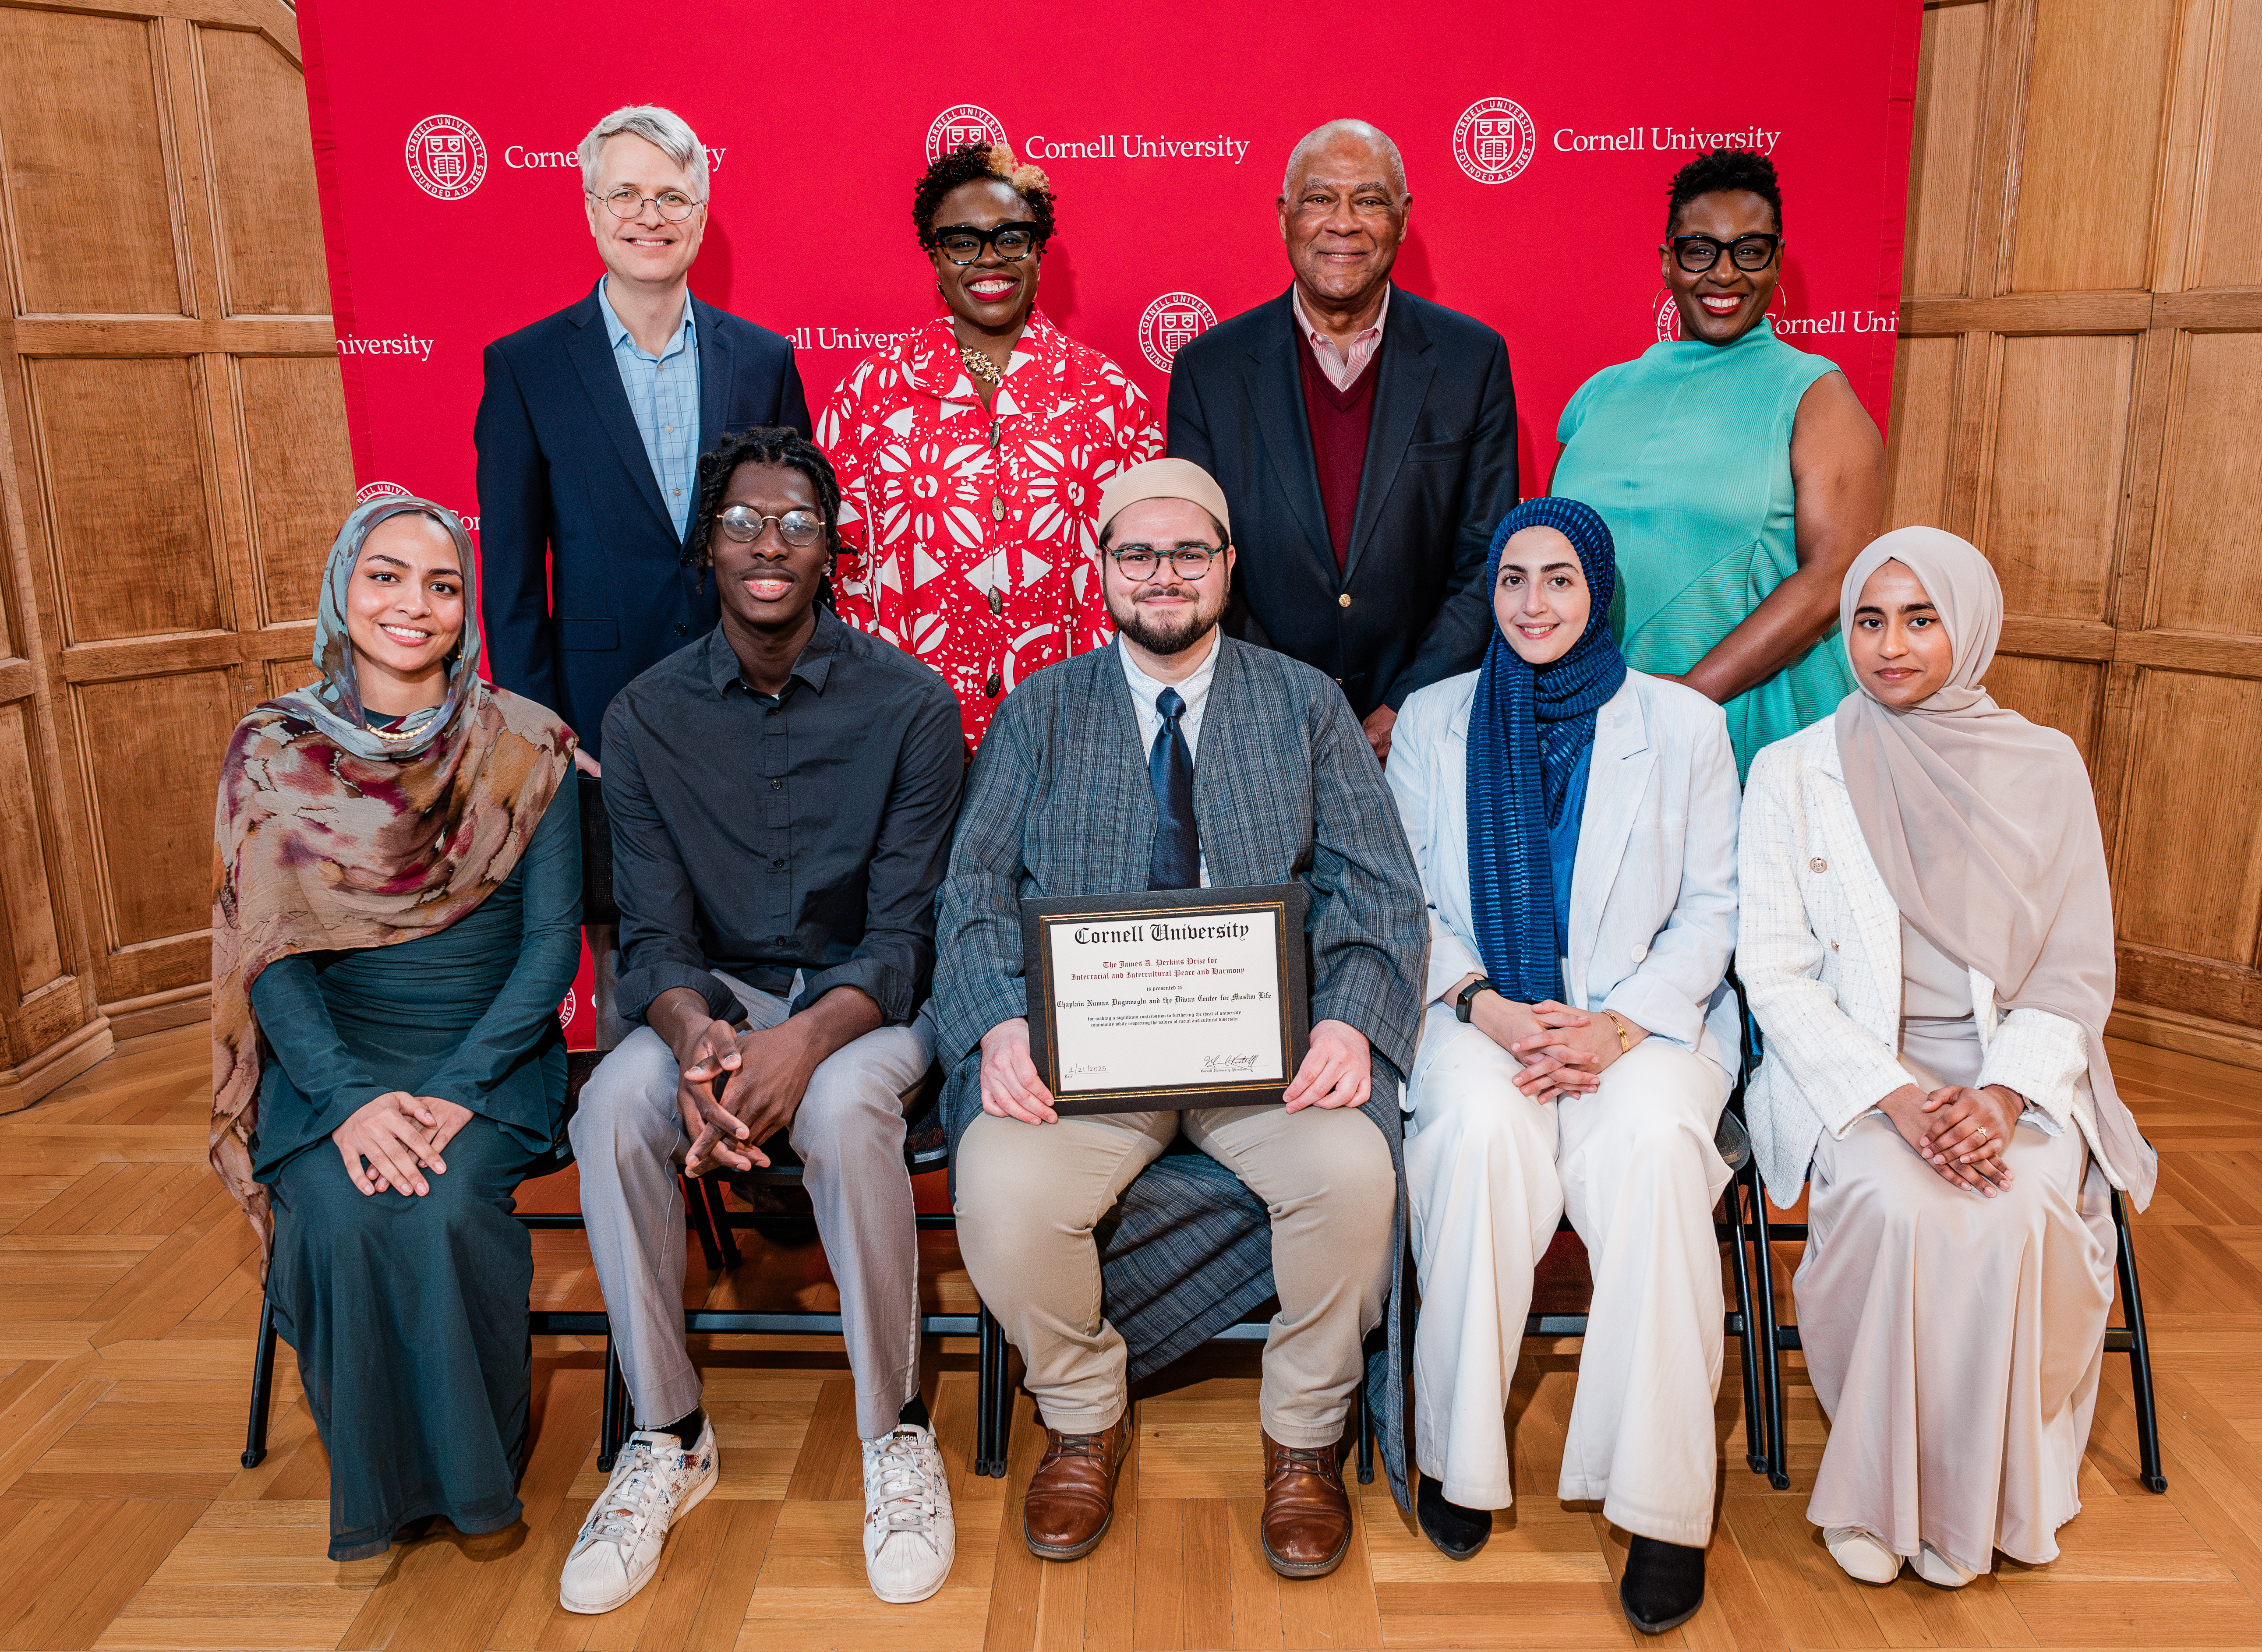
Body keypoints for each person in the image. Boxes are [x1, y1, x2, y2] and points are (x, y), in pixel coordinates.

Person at [934, 458, 1426, 1579]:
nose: (1165, 576)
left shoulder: (1303, 702)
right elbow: (968, 892)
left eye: (1188, 553)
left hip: (1267, 1053)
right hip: (1082, 1058)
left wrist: (1350, 1022)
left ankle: (1304, 1436)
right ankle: (1082, 1413)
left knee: (1353, 1176)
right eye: (1139, 554)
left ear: (1227, 567)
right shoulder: (1040, 708)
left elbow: (1383, 888)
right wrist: (1001, 1026)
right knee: (1004, 1188)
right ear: (1101, 568)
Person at [558, 426, 965, 1613]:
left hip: (869, 1003)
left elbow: (907, 940)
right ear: (708, 548)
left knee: (840, 1107)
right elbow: (652, 939)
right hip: (717, 998)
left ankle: (893, 1431)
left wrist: (798, 1043)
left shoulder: (912, 704)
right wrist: (694, 1039)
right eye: (742, 520)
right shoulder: (641, 718)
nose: (768, 542)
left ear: (833, 548)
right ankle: (669, 1433)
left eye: (794, 520)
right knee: (611, 1103)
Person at [1738, 526, 2159, 1588]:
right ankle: (1882, 1493)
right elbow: (1774, 971)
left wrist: (2006, 1091)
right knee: (1898, 1204)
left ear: (1967, 626)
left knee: (2013, 1210)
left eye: (1920, 619)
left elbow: (2074, 965)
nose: (1890, 646)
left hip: (2015, 1075)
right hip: (1862, 1078)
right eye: (1870, 620)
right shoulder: (1793, 772)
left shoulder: (2044, 765)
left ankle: (1980, 1496)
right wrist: (1895, 1096)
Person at [1385, 498, 1740, 1633]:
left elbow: (1714, 908)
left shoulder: (1682, 725)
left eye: (1559, 580)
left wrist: (1618, 1023)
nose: (1533, 604)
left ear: (1599, 593)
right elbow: (1407, 902)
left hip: (1642, 1025)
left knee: (1653, 1149)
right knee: (1480, 1139)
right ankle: (1459, 1457)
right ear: (1489, 594)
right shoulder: (1435, 721)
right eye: (1512, 581)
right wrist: (1486, 1005)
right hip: (1481, 1014)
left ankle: (1662, 1504)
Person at [209, 496, 580, 1562]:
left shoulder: (529, 745)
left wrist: (459, 1087)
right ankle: (379, 1494)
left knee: (446, 1199)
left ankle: (476, 1488)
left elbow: (551, 948)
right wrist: (349, 1098)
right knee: (335, 1201)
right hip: (331, 1058)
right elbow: (268, 954)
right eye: (385, 575)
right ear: (343, 589)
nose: (411, 604)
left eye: (441, 583)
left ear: (468, 609)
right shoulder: (270, 752)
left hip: (489, 1052)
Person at [1168, 119, 1518, 762]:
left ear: (1404, 218)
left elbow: (1488, 560)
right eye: (1319, 198)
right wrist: (1290, 704)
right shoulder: (1208, 370)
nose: (1343, 223)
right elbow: (1201, 562)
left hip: (1428, 730)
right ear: (1284, 216)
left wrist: (1405, 708)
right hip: (1259, 728)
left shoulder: (1473, 360)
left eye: (1370, 200)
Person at [477, 104, 810, 768]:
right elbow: (510, 580)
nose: (648, 216)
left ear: (701, 215)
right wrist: (542, 733)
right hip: (593, 720)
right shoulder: (525, 366)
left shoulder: (763, 360)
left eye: (671, 197)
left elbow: (800, 548)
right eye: (624, 195)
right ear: (592, 211)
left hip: (754, 703)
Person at [1548, 148, 1886, 777]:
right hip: (1596, 722)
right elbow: (1550, 559)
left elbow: (1835, 574)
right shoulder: (1600, 393)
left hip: (1746, 721)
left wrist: (1687, 697)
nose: (1723, 274)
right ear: (1668, 261)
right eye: (1700, 250)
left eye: (1749, 250)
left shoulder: (1814, 393)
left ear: (1776, 259)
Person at [819, 141, 1164, 749]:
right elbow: (838, 568)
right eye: (961, 241)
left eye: (1011, 237)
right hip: (908, 736)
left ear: (1039, 251)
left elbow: (1147, 570)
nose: (988, 259)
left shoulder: (1110, 398)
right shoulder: (870, 394)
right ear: (934, 256)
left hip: (1075, 732)